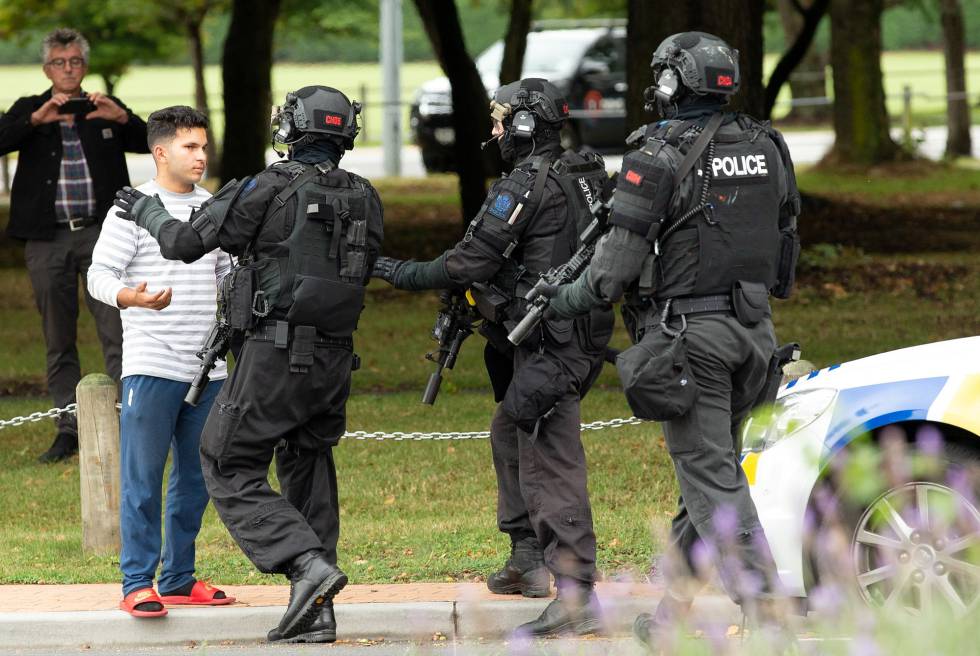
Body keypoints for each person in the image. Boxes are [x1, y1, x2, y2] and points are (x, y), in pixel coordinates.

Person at [547, 32, 802, 649]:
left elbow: (611, 270)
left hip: (693, 341)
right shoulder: (768, 143)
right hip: (756, 333)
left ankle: (768, 614)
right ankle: (670, 619)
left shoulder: (655, 153)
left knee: (711, 477)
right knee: (709, 473)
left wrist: (564, 299)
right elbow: (786, 234)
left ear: (669, 85)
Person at [112, 86, 382, 643]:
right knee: (309, 467)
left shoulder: (268, 186)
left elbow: (187, 243)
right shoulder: (364, 194)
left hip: (273, 355)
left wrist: (147, 209)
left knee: (225, 459)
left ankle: (306, 565)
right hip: (333, 363)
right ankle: (316, 613)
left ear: (291, 128)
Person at [372, 78, 614, 637]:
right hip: (573, 332)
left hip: (552, 340)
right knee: (508, 431)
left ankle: (576, 593)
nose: (496, 132)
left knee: (549, 457)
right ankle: (526, 558)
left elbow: (469, 262)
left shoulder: (527, 182)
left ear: (527, 126)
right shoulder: (584, 170)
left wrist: (396, 271)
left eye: (503, 122)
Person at [88, 105, 235, 617]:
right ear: (160, 151)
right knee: (143, 480)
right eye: (190, 146)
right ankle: (137, 583)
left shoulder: (212, 207)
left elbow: (227, 278)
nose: (201, 155)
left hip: (209, 370)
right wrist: (132, 297)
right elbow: (98, 274)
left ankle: (177, 578)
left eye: (203, 146)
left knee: (197, 482)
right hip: (151, 366)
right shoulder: (133, 208)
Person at [0, 27, 148, 463]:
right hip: (47, 239)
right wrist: (35, 121)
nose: (68, 70)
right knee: (58, 337)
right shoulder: (31, 109)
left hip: (106, 236)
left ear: (85, 66)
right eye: (59, 63)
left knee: (118, 331)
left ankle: (127, 424)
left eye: (76, 62)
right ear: (47, 69)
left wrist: (121, 119)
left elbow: (150, 143)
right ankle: (70, 428)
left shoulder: (105, 109)